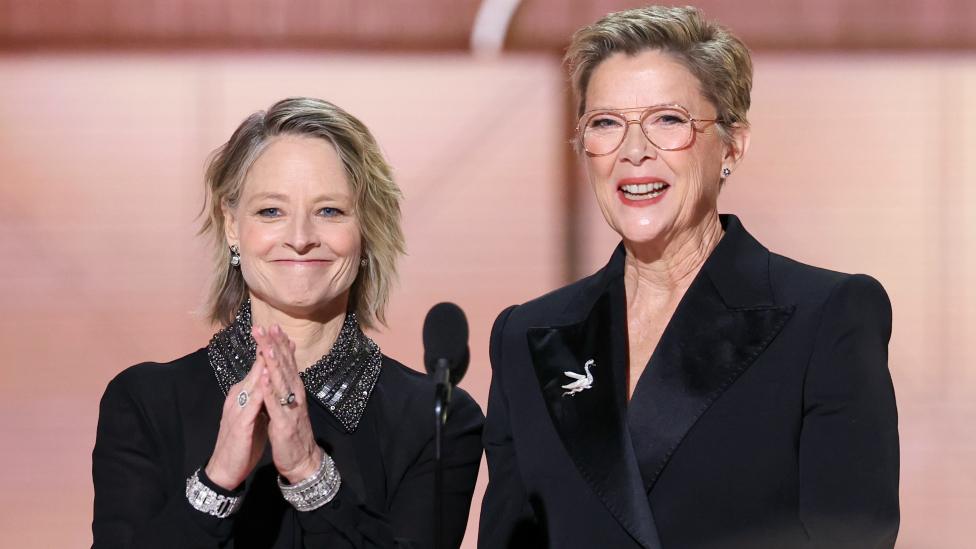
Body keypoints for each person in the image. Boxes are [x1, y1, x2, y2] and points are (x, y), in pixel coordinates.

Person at [479, 6, 899, 549]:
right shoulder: (527, 336)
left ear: (731, 144)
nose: (634, 151)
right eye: (605, 124)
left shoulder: (827, 317)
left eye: (668, 121)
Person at [92, 97, 484, 548]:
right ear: (232, 225)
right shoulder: (145, 403)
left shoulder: (436, 419)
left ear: (367, 229)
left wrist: (309, 473)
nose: (300, 238)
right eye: (271, 211)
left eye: (330, 211)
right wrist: (216, 481)